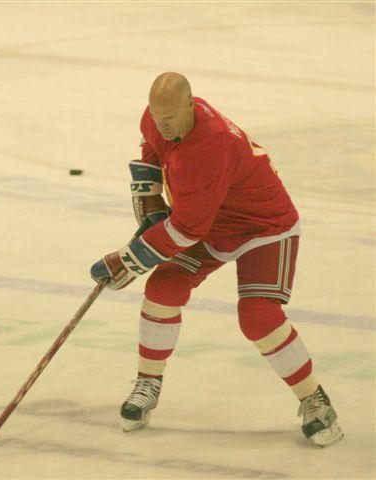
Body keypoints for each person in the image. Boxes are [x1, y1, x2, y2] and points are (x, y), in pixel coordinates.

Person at [90, 72, 343, 447]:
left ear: (191, 106)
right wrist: (151, 196)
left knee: (258, 316)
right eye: (158, 117)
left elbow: (187, 230)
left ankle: (314, 400)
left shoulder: (211, 145)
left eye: (171, 118)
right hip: (210, 221)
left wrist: (128, 260)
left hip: (262, 227)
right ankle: (148, 382)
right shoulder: (157, 119)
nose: (163, 124)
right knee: (163, 287)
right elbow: (152, 147)